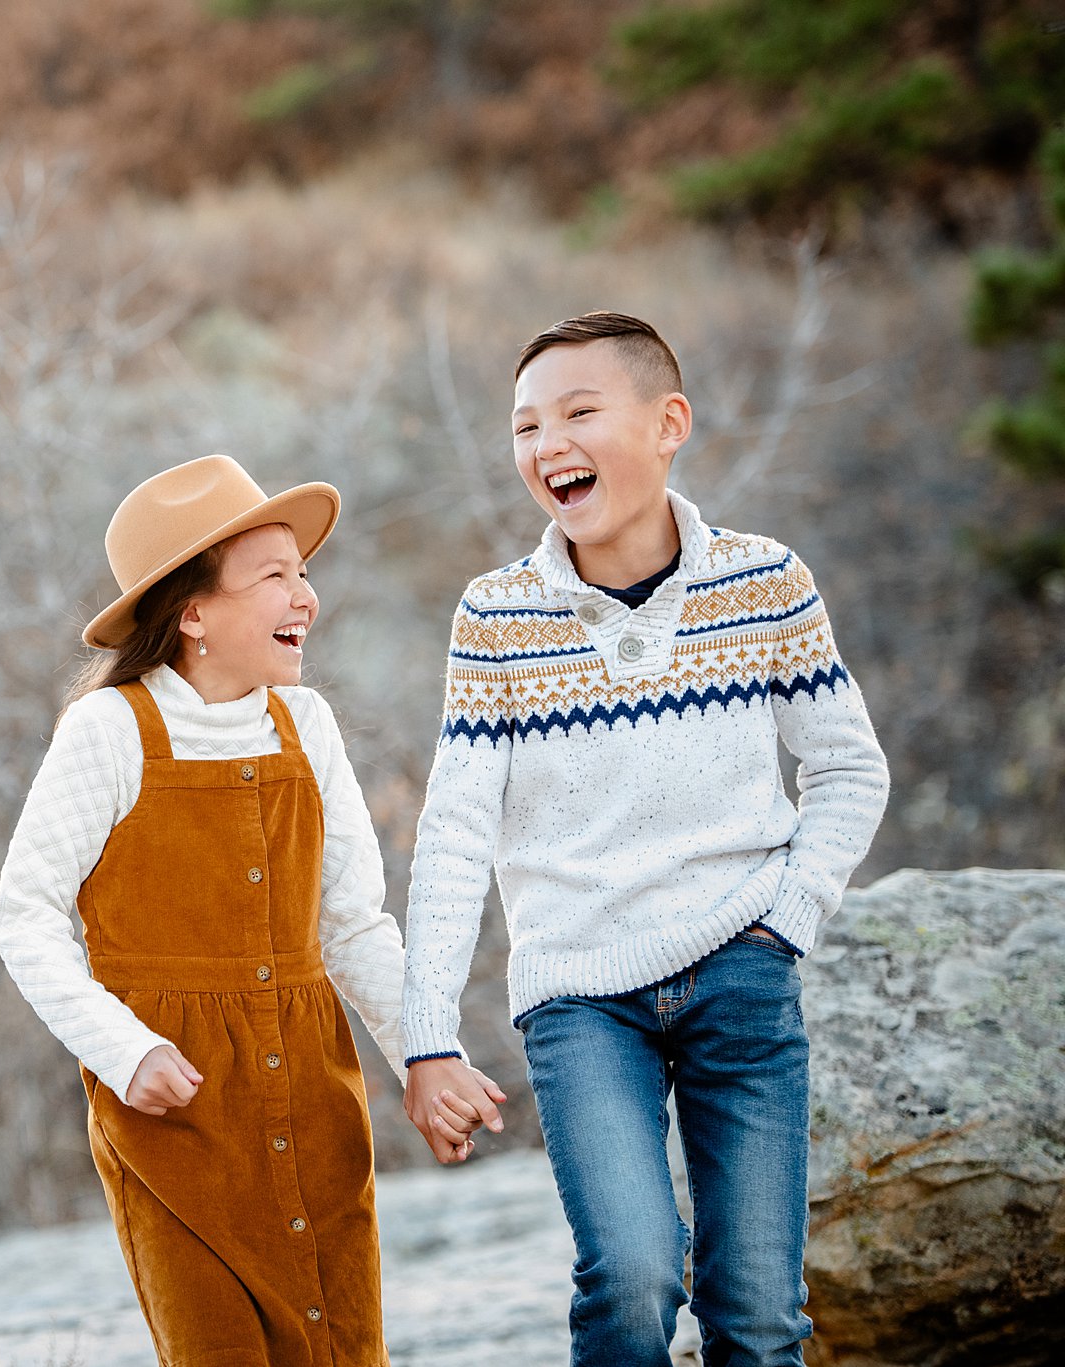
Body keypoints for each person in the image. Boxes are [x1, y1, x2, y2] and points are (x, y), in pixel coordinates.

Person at [400, 312, 890, 1366]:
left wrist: (784, 918)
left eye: (578, 412)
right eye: (525, 425)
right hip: (579, 993)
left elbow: (848, 766)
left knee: (757, 1313)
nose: (546, 444)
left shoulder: (764, 582)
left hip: (741, 974)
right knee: (629, 1275)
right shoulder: (497, 615)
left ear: (667, 422)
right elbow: (452, 828)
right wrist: (426, 1032)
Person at [0, 454, 443, 1366]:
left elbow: (353, 925)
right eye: (273, 576)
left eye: (303, 572)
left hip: (316, 1104)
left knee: (344, 1347)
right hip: (177, 1124)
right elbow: (24, 915)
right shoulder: (109, 731)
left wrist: (425, 1056)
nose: (305, 597)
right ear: (193, 613)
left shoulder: (307, 724)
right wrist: (126, 1050)